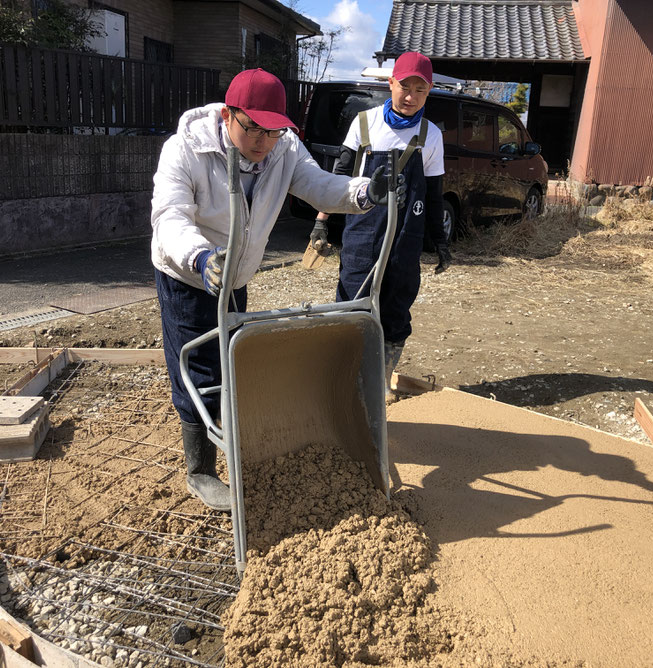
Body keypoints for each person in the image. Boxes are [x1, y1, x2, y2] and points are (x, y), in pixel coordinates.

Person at [151, 68, 403, 511]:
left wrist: (365, 192)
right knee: (199, 370)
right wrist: (200, 257)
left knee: (231, 361)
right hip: (189, 273)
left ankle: (232, 444)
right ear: (229, 115)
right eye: (252, 129)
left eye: (272, 131)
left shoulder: (283, 148)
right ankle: (201, 470)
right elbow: (170, 216)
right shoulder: (186, 150)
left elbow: (319, 186)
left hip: (236, 276)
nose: (262, 142)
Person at [311, 51, 452, 402]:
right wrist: (320, 224)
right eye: (405, 86)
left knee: (395, 306)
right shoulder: (364, 124)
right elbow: (338, 179)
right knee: (352, 303)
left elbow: (434, 194)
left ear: (429, 91)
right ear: (391, 83)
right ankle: (344, 379)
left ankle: (381, 380)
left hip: (406, 236)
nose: (410, 96)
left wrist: (442, 241)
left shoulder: (430, 135)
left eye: (420, 90)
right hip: (361, 233)